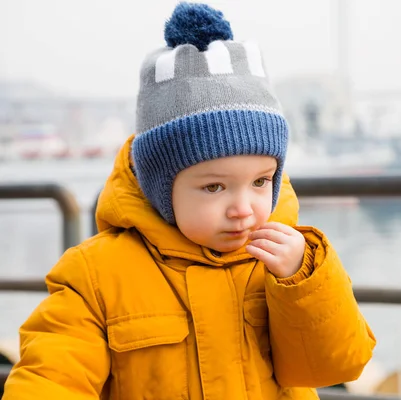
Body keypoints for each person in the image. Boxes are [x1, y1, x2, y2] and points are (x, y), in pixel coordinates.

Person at [2, 2, 376, 399]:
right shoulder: (96, 276)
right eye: (214, 187)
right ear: (161, 188)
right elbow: (52, 378)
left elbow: (336, 364)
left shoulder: (290, 264)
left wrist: (303, 282)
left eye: (260, 181)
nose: (243, 208)